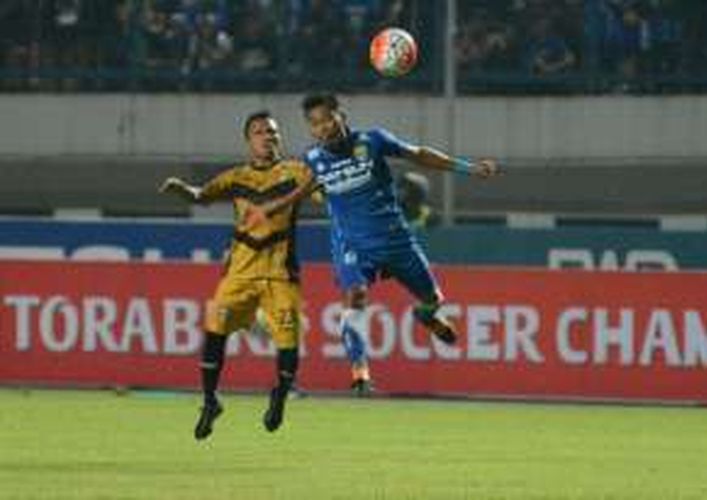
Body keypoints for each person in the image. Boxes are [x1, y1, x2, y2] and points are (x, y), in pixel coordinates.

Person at [248, 93, 498, 396]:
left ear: (341, 116)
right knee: (355, 295)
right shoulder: (312, 158)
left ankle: (426, 315)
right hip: (352, 244)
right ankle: (360, 372)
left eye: (327, 119)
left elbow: (418, 153)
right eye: (314, 124)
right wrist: (271, 210)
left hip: (395, 240)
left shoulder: (373, 140)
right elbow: (303, 190)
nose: (322, 128)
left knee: (433, 298)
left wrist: (468, 168)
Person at [159, 110, 312, 439]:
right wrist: (180, 188)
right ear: (248, 140)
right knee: (214, 330)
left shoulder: (298, 172)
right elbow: (201, 195)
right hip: (240, 274)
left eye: (273, 131)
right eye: (260, 132)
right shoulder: (235, 178)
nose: (267, 136)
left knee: (289, 342)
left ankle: (280, 395)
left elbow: (324, 194)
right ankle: (211, 401)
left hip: (279, 275)